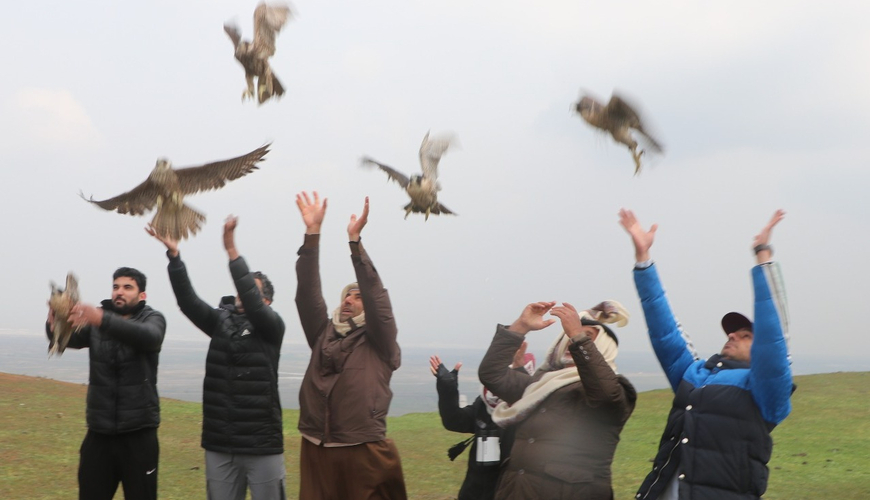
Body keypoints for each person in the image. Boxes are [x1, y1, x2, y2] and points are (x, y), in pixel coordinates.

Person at [618, 209, 792, 500]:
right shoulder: (695, 374)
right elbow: (665, 332)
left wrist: (763, 256)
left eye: (746, 335)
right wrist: (643, 261)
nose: (733, 336)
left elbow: (774, 338)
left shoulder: (767, 391)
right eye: (732, 333)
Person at [147, 216, 287, 500]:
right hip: (220, 442)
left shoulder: (271, 326)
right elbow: (189, 302)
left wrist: (232, 252)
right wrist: (175, 258)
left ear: (267, 302)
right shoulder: (219, 322)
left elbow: (254, 305)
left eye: (249, 290)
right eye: (240, 289)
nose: (241, 293)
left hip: (262, 444)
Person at [294, 192, 407, 500]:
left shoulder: (379, 341)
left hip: (362, 448)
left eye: (357, 297)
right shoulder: (323, 333)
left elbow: (378, 299)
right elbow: (306, 295)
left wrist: (355, 242)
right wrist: (312, 235)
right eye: (347, 295)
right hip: (316, 445)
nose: (349, 300)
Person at [478, 300, 637, 500]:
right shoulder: (540, 385)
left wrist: (577, 336)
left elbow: (604, 394)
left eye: (587, 337)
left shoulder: (616, 390)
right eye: (567, 337)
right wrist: (521, 326)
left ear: (604, 349)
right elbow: (492, 375)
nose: (571, 341)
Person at [45, 267, 166, 500]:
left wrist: (101, 319)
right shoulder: (95, 321)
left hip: (139, 435)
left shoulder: (152, 319)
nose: (119, 292)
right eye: (116, 287)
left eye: (127, 287)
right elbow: (69, 338)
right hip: (99, 434)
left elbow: (149, 337)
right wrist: (54, 324)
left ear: (142, 295)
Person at [430, 345, 535, 500]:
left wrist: (519, 371)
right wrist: (447, 388)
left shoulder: (534, 405)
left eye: (510, 374)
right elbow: (454, 422)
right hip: (476, 492)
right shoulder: (485, 403)